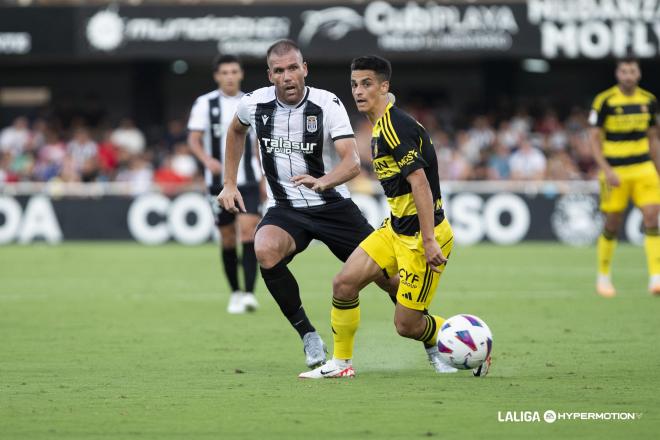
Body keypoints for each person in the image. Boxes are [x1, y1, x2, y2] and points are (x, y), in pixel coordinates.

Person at [299, 55, 489, 379]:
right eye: (355, 85)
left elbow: (421, 184)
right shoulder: (378, 126)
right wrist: (325, 182)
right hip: (395, 229)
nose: (359, 91)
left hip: (421, 237)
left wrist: (429, 241)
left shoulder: (395, 126)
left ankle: (473, 345)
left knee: (407, 325)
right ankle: (341, 364)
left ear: (384, 86)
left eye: (367, 84)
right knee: (344, 283)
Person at [217, 40, 398, 368]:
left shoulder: (327, 104)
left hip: (333, 206)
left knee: (388, 277)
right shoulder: (253, 104)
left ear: (305, 69)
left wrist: (325, 181)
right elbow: (234, 131)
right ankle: (307, 335)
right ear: (270, 75)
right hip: (286, 208)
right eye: (279, 70)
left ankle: (428, 336)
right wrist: (229, 182)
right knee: (264, 249)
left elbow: (352, 162)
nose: (287, 76)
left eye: (293, 68)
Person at [188, 55, 263, 314]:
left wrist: (264, 175)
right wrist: (207, 160)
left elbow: (257, 143)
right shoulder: (204, 104)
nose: (229, 76)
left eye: (234, 71)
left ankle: (250, 294)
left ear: (241, 74)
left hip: (249, 180)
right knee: (228, 237)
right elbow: (194, 139)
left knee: (248, 232)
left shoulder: (252, 102)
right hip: (218, 183)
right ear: (217, 76)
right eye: (224, 72)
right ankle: (235, 292)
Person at [590, 58, 660, 297]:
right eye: (624, 71)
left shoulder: (649, 101)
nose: (628, 75)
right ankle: (603, 277)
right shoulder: (605, 101)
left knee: (652, 217)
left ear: (638, 74)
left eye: (632, 71)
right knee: (612, 223)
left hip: (643, 168)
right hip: (615, 172)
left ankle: (656, 277)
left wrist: (658, 168)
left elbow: (653, 139)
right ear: (617, 74)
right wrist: (606, 170)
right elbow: (594, 140)